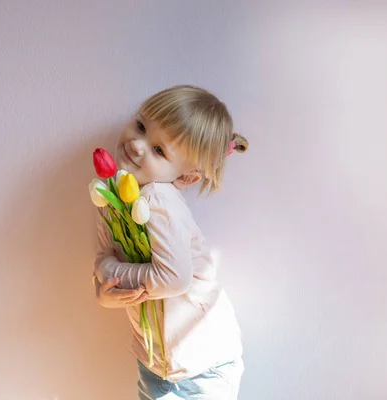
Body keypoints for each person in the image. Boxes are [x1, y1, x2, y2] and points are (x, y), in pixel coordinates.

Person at [92, 85, 249, 399]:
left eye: (159, 150)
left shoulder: (158, 199)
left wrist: (112, 273)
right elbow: (103, 258)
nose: (137, 145)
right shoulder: (111, 193)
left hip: (202, 367)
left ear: (186, 177)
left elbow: (173, 278)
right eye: (140, 126)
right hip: (158, 363)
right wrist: (104, 291)